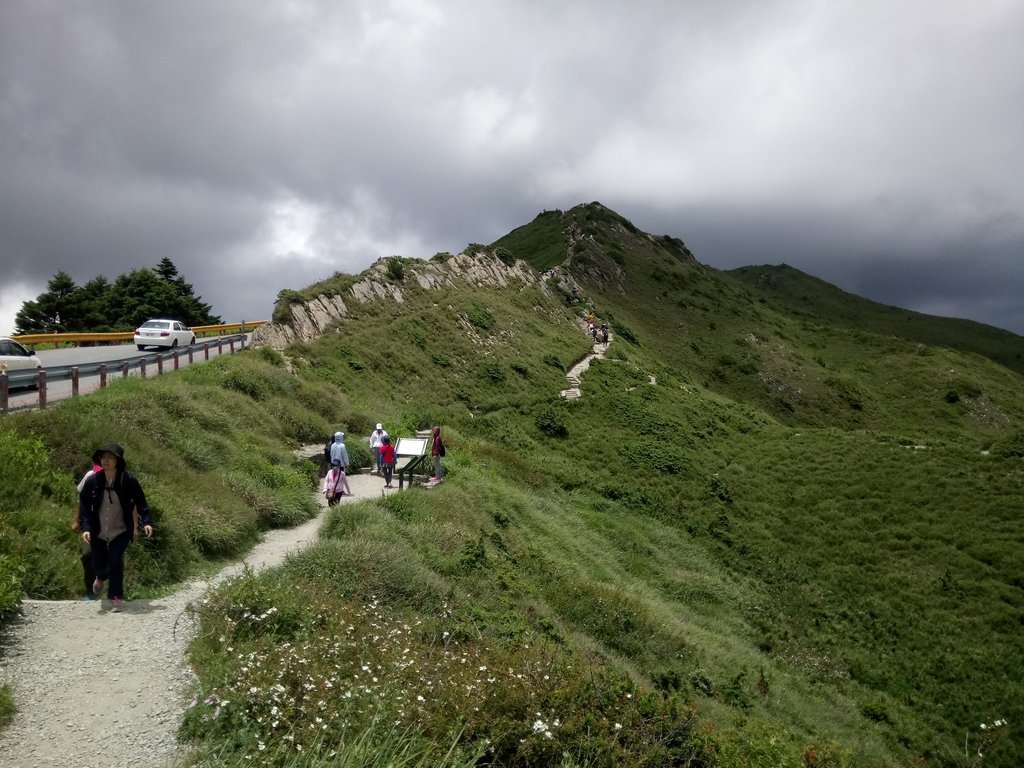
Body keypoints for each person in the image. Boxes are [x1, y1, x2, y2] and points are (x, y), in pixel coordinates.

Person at [78, 443, 154, 612]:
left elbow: (141, 502)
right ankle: (101, 577)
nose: (106, 460)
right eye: (103, 457)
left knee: (115, 561)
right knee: (98, 563)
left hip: (120, 530)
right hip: (98, 530)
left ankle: (115, 597)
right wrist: (85, 528)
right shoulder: (93, 481)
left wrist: (146, 522)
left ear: (118, 461)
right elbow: (84, 506)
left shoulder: (128, 481)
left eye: (110, 457)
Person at [71, 460, 102, 600]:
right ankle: (90, 590)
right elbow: (82, 500)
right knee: (87, 555)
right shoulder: (90, 475)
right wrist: (76, 520)